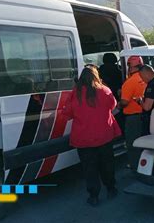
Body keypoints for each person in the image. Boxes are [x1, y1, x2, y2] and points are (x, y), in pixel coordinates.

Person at [62, 66, 121, 206]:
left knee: (89, 168)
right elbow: (113, 106)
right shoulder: (105, 91)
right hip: (104, 136)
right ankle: (111, 189)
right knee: (107, 164)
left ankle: (93, 196)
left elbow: (67, 114)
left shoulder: (75, 94)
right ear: (96, 76)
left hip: (83, 138)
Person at [118, 56, 146, 169]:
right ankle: (142, 163)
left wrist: (116, 106)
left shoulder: (129, 82)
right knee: (142, 141)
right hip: (144, 115)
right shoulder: (145, 78)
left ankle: (135, 166)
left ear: (129, 66)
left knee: (132, 143)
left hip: (133, 118)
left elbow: (124, 102)